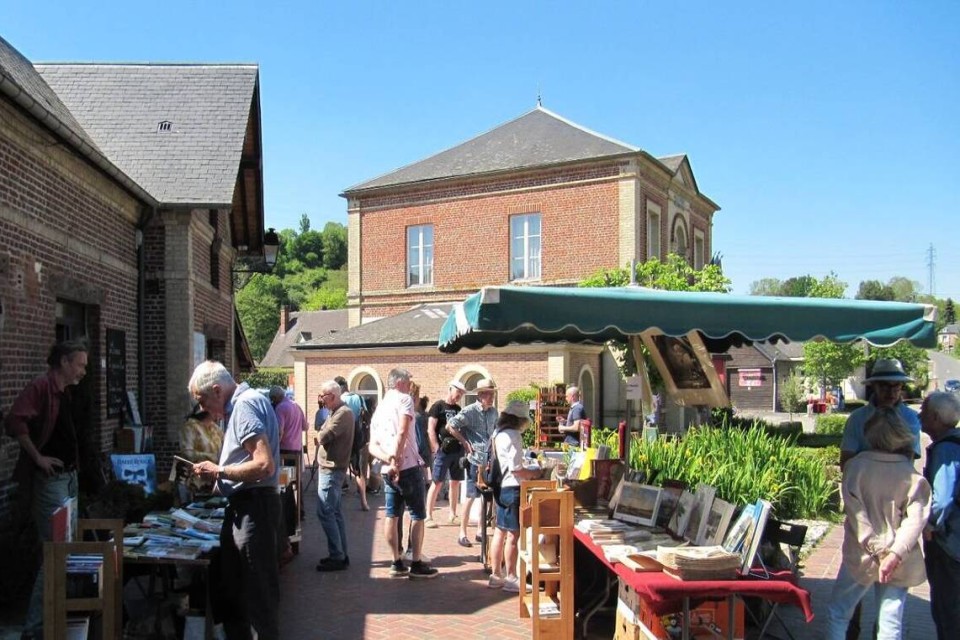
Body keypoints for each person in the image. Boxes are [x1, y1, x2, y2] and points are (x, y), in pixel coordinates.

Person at [190, 361, 281, 640]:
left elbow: (264, 465)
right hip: (249, 506)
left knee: (255, 596)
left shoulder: (244, 406)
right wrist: (217, 481)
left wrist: (219, 471)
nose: (203, 410)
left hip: (253, 507)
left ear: (217, 390)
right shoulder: (245, 404)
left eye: (202, 401)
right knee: (237, 591)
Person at [4, 340, 88, 640]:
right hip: (50, 481)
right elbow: (14, 420)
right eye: (80, 364)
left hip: (67, 478)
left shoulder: (65, 392)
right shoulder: (42, 387)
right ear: (64, 362)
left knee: (63, 553)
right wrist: (37, 457)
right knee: (55, 553)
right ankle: (36, 627)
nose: (83, 370)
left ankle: (54, 620)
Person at [824, 408, 930, 640]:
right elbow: (915, 521)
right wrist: (894, 554)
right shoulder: (912, 476)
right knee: (890, 621)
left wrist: (879, 551)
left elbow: (857, 515)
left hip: (860, 556)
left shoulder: (856, 468)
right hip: (898, 560)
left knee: (839, 613)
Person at [367, 368, 438, 578]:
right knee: (417, 514)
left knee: (392, 514)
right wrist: (397, 459)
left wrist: (388, 459)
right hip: (407, 466)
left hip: (389, 469)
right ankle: (416, 562)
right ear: (399, 382)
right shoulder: (404, 399)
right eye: (408, 381)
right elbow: (403, 430)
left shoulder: (379, 408)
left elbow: (372, 446)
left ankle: (396, 561)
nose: (410, 385)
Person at [487, 400, 540, 593]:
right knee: (513, 534)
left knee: (499, 531)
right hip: (512, 487)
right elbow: (517, 469)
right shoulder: (514, 435)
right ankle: (511, 576)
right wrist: (535, 472)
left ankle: (495, 574)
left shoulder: (497, 434)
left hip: (500, 486)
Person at [919, 391, 960, 639]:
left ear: (935, 417)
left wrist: (931, 526)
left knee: (948, 611)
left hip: (949, 544)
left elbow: (942, 499)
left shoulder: (945, 450)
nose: (919, 415)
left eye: (923, 411)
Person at [840, 359, 921, 469]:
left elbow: (908, 461)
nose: (891, 391)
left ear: (902, 386)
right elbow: (846, 463)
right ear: (873, 385)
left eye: (896, 385)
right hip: (865, 482)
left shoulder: (911, 418)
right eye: (884, 385)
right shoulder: (856, 419)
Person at [447, 378, 499, 549]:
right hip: (475, 460)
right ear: (481, 394)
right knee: (471, 496)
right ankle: (462, 532)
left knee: (487, 497)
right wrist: (465, 442)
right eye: (489, 394)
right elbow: (451, 426)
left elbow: (494, 433)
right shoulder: (469, 411)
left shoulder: (493, 413)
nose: (491, 397)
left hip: (489, 462)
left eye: (493, 394)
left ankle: (479, 530)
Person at [313, 379, 355, 572]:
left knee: (326, 511)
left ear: (333, 396)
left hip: (332, 469)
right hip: (330, 468)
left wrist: (320, 435)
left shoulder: (343, 413)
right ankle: (340, 553)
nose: (321, 400)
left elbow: (322, 435)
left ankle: (337, 555)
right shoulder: (335, 412)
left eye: (323, 396)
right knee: (334, 513)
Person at [269, 386, 308, 563]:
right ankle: (299, 510)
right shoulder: (296, 406)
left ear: (275, 398)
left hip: (285, 453)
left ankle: (289, 516)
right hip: (297, 451)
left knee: (284, 487)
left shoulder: (280, 408)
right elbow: (305, 427)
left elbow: (279, 431)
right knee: (296, 484)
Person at [424, 380, 467, 528]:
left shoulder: (459, 409)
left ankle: (453, 514)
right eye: (458, 392)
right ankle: (428, 516)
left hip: (457, 450)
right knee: (437, 482)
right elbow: (431, 428)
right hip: (443, 451)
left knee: (455, 482)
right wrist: (436, 448)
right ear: (450, 389)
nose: (459, 396)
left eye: (461, 394)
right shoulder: (438, 406)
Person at [335, 376, 370, 511]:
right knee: (360, 471)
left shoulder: (340, 400)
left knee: (340, 468)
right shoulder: (359, 398)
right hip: (359, 438)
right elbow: (367, 416)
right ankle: (363, 501)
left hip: (344, 438)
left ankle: (337, 500)